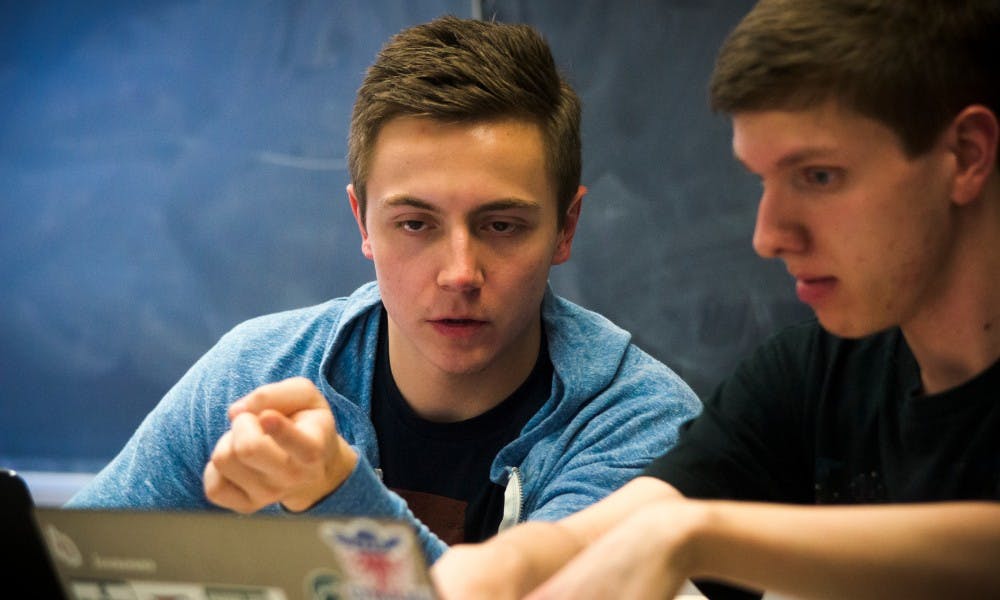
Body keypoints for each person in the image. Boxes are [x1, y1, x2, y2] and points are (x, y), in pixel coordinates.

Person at [66, 15, 700, 565]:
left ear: (565, 228)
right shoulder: (257, 374)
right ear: (361, 224)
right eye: (415, 224)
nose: (459, 272)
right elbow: (75, 559)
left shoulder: (639, 425)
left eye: (501, 225)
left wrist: (337, 495)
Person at [431, 1, 1000, 598]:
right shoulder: (810, 374)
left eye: (819, 176)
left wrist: (694, 535)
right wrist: (511, 562)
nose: (768, 235)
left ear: (964, 155)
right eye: (762, 181)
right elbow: (627, 521)